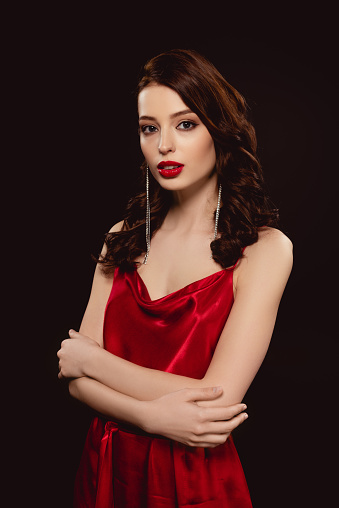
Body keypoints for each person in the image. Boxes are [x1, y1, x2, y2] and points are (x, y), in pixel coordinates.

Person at [57, 49, 293, 507]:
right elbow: (74, 379)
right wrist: (151, 418)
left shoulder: (265, 249)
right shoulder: (121, 238)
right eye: (150, 128)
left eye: (185, 124)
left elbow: (218, 398)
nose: (164, 144)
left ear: (219, 132)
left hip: (192, 480)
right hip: (106, 469)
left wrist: (95, 361)